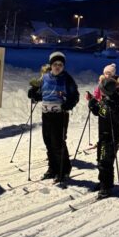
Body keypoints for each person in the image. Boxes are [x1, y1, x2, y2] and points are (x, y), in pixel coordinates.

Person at [28, 51, 79, 186]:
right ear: (51, 65)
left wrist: (68, 104)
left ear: (63, 66)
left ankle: (63, 170)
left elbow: (75, 95)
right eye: (55, 64)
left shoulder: (67, 78)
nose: (57, 67)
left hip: (60, 115)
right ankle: (52, 168)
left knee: (58, 143)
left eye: (60, 65)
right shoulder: (45, 78)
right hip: (46, 114)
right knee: (48, 142)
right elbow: (41, 94)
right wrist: (33, 94)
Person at [87, 71, 119, 198]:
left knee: (105, 162)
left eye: (102, 90)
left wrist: (113, 109)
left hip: (111, 137)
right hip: (103, 135)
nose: (100, 92)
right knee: (100, 160)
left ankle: (106, 186)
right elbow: (98, 112)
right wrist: (92, 104)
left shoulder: (114, 103)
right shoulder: (104, 101)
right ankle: (103, 181)